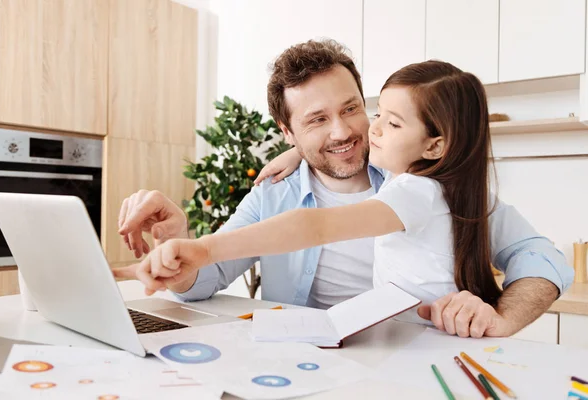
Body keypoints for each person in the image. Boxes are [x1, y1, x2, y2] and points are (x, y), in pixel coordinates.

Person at [115, 40, 573, 338]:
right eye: (316, 120)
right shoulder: (274, 193)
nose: (343, 132)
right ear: (286, 132)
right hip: (313, 362)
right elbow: (203, 284)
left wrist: (503, 315)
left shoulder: (423, 184)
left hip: (413, 355)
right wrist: (184, 244)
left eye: (352, 108)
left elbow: (542, 256)